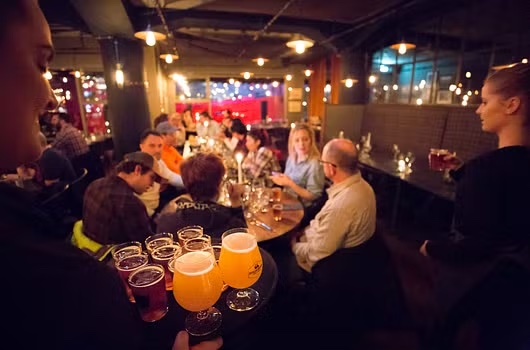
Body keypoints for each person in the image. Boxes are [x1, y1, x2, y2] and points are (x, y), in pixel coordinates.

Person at [0, 2, 221, 349]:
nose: (52, 98)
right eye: (42, 64)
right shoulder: (19, 249)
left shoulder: (91, 188)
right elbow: (150, 247)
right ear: (135, 168)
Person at [420, 64, 530, 350]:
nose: (478, 110)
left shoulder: (485, 170)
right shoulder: (491, 169)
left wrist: (430, 247)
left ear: (512, 105)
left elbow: (474, 246)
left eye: (484, 101)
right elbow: (508, 202)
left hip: (483, 286)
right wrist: (461, 171)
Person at [291, 138, 376, 272]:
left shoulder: (340, 207)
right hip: (353, 256)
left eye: (322, 162)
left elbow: (317, 255)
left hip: (331, 268)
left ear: (331, 168)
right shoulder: (366, 187)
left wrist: (293, 245)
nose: (321, 165)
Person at [157, 152, 245, 240]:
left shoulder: (166, 221)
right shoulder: (227, 218)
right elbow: (244, 237)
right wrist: (236, 202)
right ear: (219, 184)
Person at [82, 151, 162, 245]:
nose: (152, 185)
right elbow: (149, 244)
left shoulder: (94, 184)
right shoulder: (130, 203)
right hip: (113, 256)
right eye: (152, 178)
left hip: (89, 250)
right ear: (137, 170)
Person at [270, 123, 325, 209]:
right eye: (297, 140)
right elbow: (287, 181)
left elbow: (313, 196)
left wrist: (290, 184)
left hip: (301, 208)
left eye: (305, 139)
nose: (301, 144)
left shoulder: (315, 164)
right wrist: (281, 179)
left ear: (311, 141)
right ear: (292, 143)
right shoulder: (291, 158)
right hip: (287, 200)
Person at [138, 130, 184, 217]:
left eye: (160, 146)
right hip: (145, 215)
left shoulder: (159, 163)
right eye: (152, 146)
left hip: (157, 207)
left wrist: (194, 182)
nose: (157, 150)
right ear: (142, 147)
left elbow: (173, 177)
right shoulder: (136, 168)